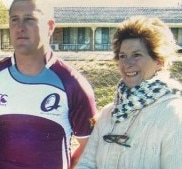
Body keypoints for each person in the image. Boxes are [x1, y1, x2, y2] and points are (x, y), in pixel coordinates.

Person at [0, 0, 97, 169]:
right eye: (14, 19)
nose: (20, 27)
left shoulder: (73, 84)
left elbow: (90, 148)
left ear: (50, 26)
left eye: (29, 19)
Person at [78, 16, 182, 169]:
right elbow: (86, 163)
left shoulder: (174, 114)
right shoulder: (109, 113)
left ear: (159, 61)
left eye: (136, 55)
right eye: (122, 56)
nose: (127, 64)